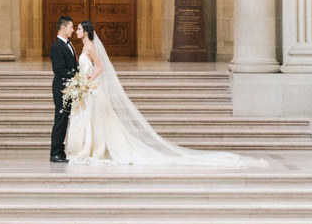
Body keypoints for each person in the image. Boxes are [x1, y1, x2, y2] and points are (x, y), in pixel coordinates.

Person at [62, 20, 250, 167]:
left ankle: (96, 148)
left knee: (98, 119)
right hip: (88, 89)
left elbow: (100, 68)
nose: (76, 31)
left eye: (78, 29)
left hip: (90, 87)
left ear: (85, 32)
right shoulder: (84, 47)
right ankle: (90, 146)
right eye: (76, 28)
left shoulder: (91, 47)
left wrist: (87, 81)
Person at [48, 14, 78, 164]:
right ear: (64, 27)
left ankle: (61, 150)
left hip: (70, 88)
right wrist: (77, 76)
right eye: (71, 27)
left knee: (64, 119)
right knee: (60, 119)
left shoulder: (68, 44)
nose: (73, 30)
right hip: (62, 88)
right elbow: (59, 69)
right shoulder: (57, 46)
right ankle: (55, 152)